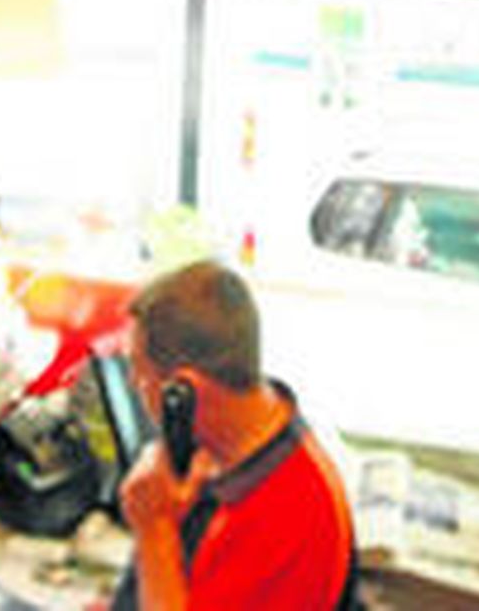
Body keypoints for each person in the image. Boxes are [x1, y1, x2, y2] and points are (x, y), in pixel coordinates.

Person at [114, 259, 358, 610]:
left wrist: (155, 531)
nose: (133, 385)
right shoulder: (214, 451)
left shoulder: (292, 515)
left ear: (182, 392)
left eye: (139, 373)